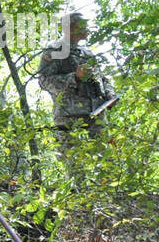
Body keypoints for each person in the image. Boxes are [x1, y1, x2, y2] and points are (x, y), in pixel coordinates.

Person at [37, 11, 116, 143]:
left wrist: (110, 93)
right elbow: (44, 81)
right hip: (70, 119)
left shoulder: (87, 53)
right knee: (74, 162)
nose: (87, 28)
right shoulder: (55, 51)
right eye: (83, 25)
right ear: (70, 28)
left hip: (97, 119)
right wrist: (74, 77)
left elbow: (101, 77)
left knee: (105, 161)